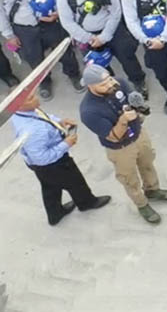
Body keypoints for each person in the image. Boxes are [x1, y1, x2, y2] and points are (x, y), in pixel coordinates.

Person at [77, 62, 167, 225]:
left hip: (138, 134)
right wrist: (123, 120)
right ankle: (142, 204)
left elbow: (134, 100)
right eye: (104, 84)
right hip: (120, 148)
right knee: (129, 178)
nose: (111, 84)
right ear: (90, 86)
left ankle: (152, 190)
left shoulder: (119, 82)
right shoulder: (88, 111)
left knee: (148, 164)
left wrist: (139, 110)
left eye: (109, 79)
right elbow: (113, 137)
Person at [12, 85, 112, 225]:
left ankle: (55, 214)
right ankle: (87, 202)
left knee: (50, 187)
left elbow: (43, 117)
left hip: (38, 165)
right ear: (19, 106)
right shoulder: (32, 131)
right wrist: (66, 143)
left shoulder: (23, 113)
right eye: (30, 99)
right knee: (75, 181)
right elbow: (42, 158)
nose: (36, 98)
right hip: (53, 163)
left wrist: (59, 122)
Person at [0, 0, 78, 97]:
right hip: (24, 28)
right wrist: (9, 35)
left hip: (49, 22)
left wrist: (57, 11)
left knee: (64, 52)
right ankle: (44, 82)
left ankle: (73, 74)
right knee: (35, 59)